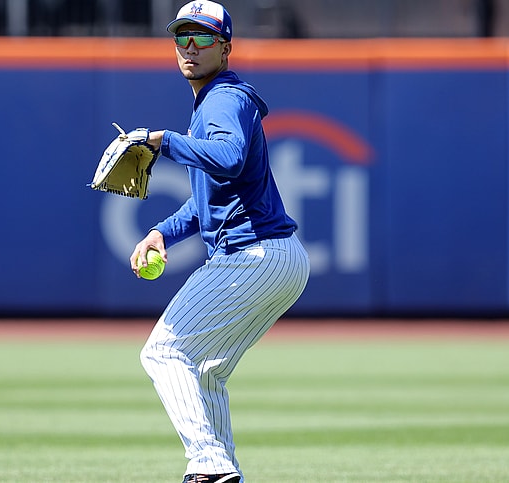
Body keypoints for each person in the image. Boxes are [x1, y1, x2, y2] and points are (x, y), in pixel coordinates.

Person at [130, 2, 310, 482]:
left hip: (254, 255)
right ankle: (222, 471)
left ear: (226, 47)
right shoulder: (210, 104)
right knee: (205, 372)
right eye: (182, 36)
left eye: (203, 37)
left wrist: (161, 141)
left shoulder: (224, 99)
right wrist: (159, 232)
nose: (190, 46)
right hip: (275, 258)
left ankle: (209, 468)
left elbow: (229, 157)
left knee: (164, 352)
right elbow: (205, 203)